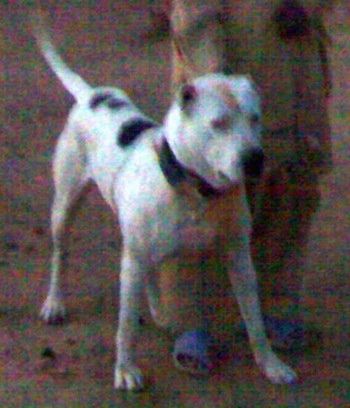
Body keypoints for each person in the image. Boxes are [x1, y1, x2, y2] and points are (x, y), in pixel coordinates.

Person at [149, 0, 334, 373]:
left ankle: (275, 307)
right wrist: (212, 76)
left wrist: (310, 8)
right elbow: (194, 13)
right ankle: (193, 322)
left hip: (291, 69)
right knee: (201, 203)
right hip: (225, 71)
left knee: (289, 192)